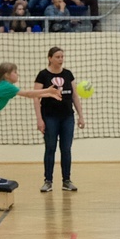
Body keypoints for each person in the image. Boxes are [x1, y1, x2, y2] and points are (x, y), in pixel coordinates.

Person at [0, 62, 62, 187]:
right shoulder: (6, 86)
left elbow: (29, 95)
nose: (17, 74)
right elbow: (28, 94)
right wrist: (48, 90)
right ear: (7, 75)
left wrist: (48, 94)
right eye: (15, 72)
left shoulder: (5, 85)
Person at [35, 45, 85, 192]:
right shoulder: (43, 75)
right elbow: (36, 97)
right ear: (50, 58)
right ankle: (48, 181)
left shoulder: (68, 74)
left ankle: (66, 181)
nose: (60, 59)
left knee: (66, 149)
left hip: (67, 117)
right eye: (57, 57)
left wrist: (81, 116)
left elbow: (74, 96)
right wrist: (39, 119)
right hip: (50, 117)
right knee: (50, 148)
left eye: (62, 57)